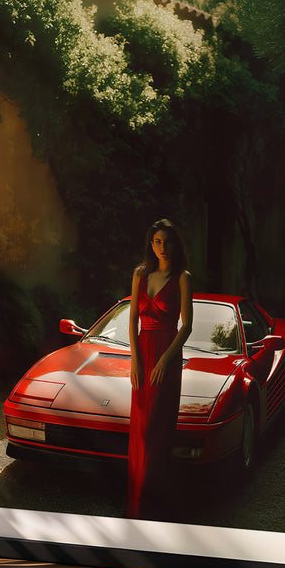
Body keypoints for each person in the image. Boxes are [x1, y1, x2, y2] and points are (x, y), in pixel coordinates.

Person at [127, 219, 193, 519]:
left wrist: (165, 360)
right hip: (143, 353)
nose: (162, 247)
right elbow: (132, 321)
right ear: (150, 244)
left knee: (158, 428)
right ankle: (138, 498)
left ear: (175, 244)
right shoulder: (140, 274)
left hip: (167, 354)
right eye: (157, 241)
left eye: (167, 241)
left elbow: (187, 326)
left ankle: (155, 504)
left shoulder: (182, 277)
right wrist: (136, 359)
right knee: (141, 428)